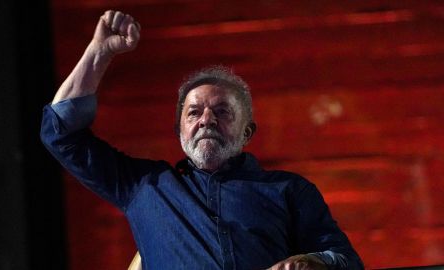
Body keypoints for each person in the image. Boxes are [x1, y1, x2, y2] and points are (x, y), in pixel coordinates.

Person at [41, 10, 364, 270]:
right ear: (179, 130)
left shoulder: (289, 190)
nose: (206, 120)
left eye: (222, 112)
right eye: (194, 113)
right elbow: (61, 134)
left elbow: (346, 261)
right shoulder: (144, 186)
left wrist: (313, 262)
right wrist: (98, 54)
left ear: (247, 132)